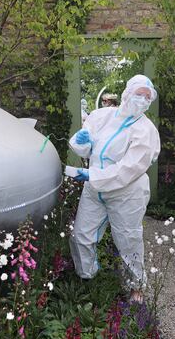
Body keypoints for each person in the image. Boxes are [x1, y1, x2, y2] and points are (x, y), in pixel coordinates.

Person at [66, 75, 161, 302]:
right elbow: (87, 149)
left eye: (147, 97)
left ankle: (136, 288)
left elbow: (129, 168)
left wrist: (93, 175)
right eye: (139, 94)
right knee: (81, 235)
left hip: (126, 193)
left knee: (128, 241)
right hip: (94, 190)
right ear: (127, 93)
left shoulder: (146, 131)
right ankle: (87, 277)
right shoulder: (102, 116)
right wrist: (83, 141)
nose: (142, 100)